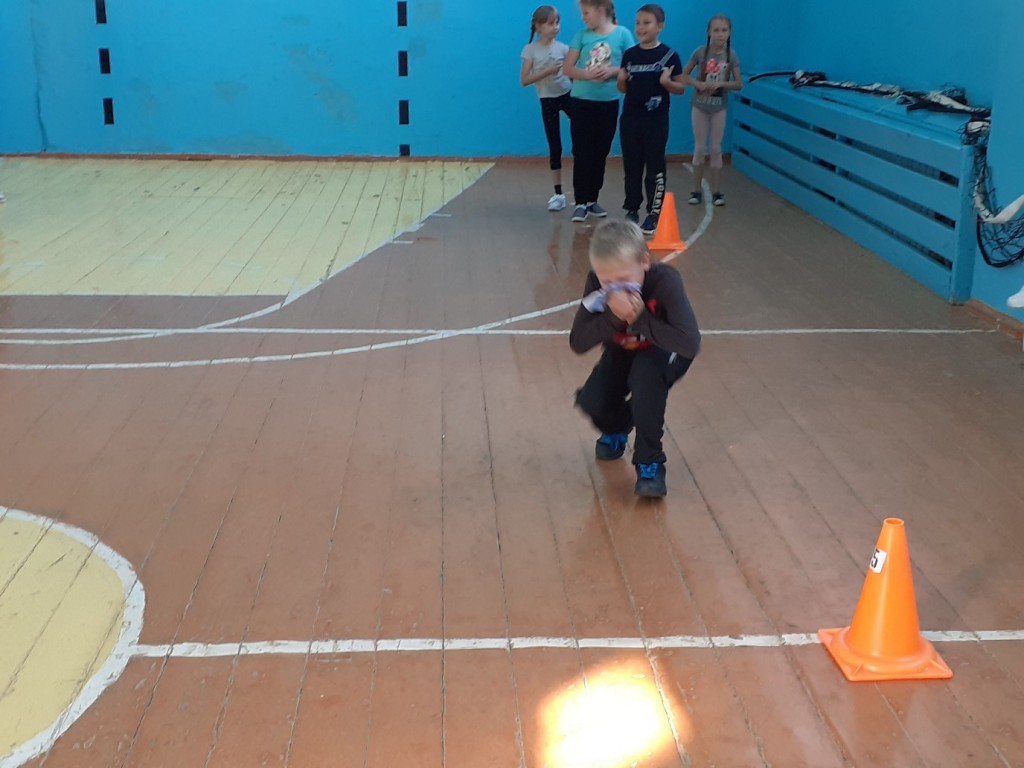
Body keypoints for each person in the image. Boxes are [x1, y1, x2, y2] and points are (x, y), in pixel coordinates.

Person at [569, 220, 700, 498]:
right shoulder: (596, 283)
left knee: (645, 381)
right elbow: (578, 341)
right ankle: (619, 428)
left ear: (645, 262)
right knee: (593, 401)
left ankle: (650, 461)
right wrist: (613, 316)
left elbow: (689, 342)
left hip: (665, 350)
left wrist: (639, 318)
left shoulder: (665, 282)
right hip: (624, 348)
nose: (615, 288)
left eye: (623, 279)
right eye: (607, 282)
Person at [562, 0, 636, 223]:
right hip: (582, 103)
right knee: (582, 151)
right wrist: (586, 74)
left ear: (601, 10)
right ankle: (580, 202)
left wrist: (612, 71)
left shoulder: (622, 34)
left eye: (586, 13)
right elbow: (567, 68)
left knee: (600, 151)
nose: (583, 17)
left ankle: (592, 199)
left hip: (608, 103)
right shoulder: (581, 36)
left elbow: (632, 65)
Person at [617, 4, 685, 236]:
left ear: (660, 26)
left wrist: (667, 83)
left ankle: (654, 212)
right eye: (638, 23)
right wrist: (621, 79)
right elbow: (623, 88)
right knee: (632, 165)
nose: (641, 27)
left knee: (655, 166)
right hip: (630, 119)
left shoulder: (669, 55)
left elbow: (680, 88)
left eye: (647, 23)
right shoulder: (630, 55)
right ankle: (632, 208)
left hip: (655, 120)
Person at [682, 14, 742, 207]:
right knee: (700, 148)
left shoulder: (731, 55)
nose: (720, 34)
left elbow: (738, 83)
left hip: (718, 108)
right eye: (716, 30)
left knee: (716, 148)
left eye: (724, 30)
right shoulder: (700, 52)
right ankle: (696, 191)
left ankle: (717, 192)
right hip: (700, 106)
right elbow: (684, 76)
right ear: (709, 32)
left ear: (729, 32)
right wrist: (698, 83)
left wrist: (722, 84)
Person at [521, 6, 574, 212]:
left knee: (582, 136)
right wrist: (547, 72)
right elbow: (524, 80)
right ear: (538, 27)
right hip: (548, 100)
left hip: (567, 96)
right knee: (555, 145)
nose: (556, 27)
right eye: (551, 23)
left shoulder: (564, 48)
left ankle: (584, 191)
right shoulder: (530, 50)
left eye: (557, 23)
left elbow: (571, 74)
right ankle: (558, 193)